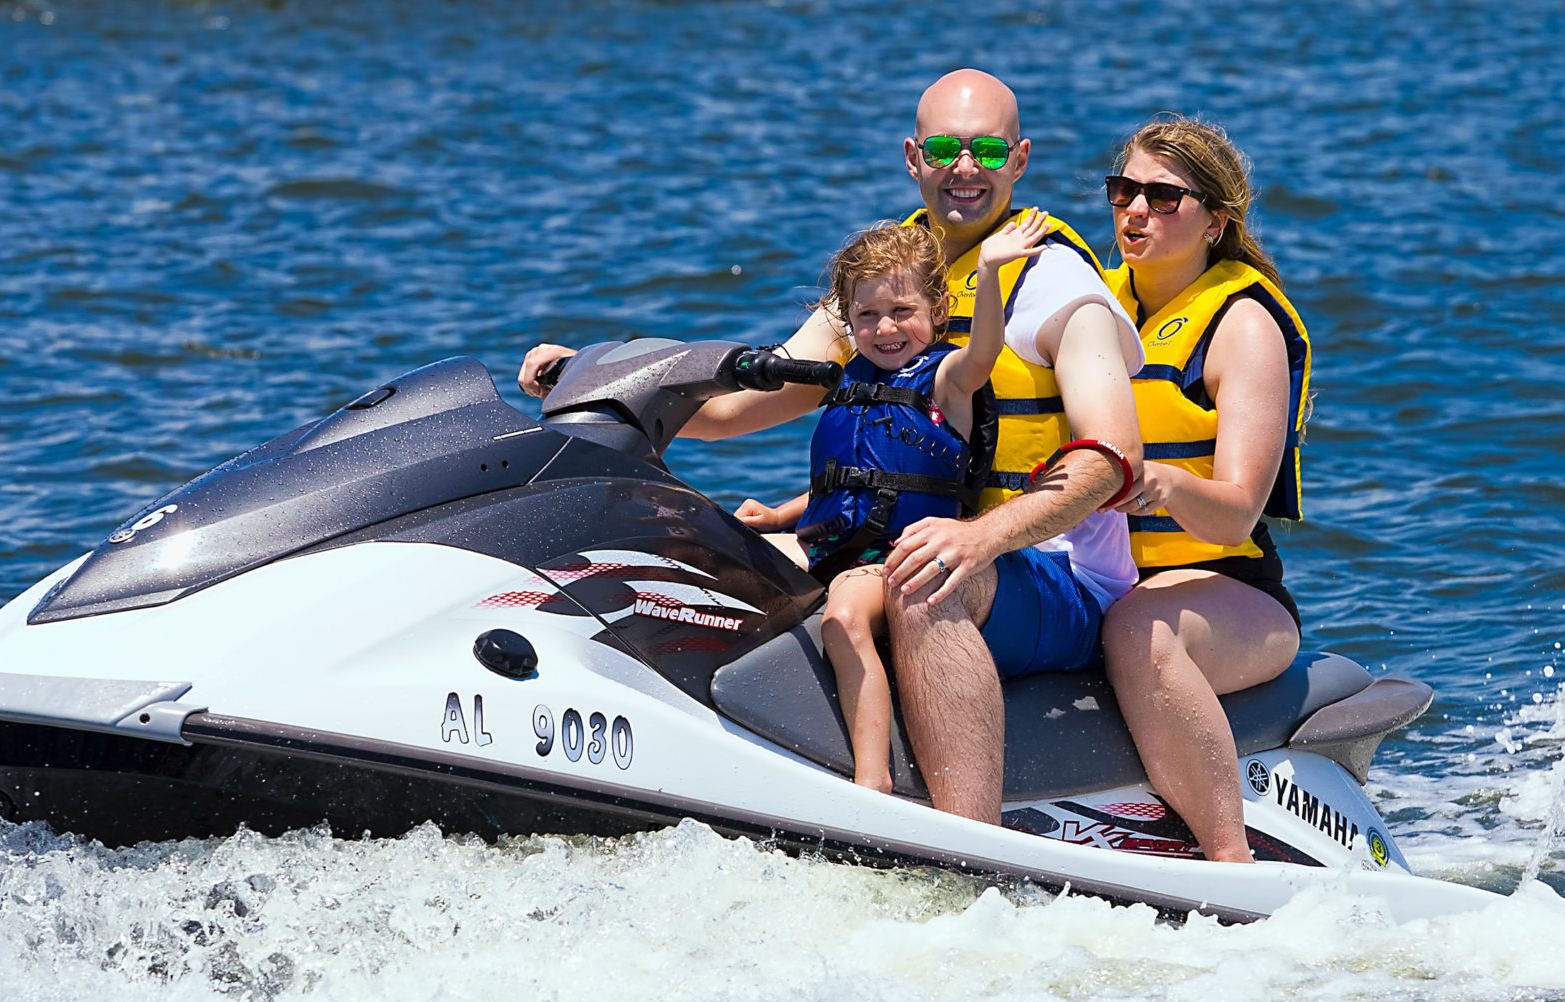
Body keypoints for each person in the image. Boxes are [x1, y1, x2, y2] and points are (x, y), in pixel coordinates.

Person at [519, 69, 1145, 826]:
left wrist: (979, 538)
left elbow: (1111, 458)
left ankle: (970, 846)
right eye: (946, 148)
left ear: (1019, 160)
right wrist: (593, 375)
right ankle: (648, 785)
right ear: (914, 158)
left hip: (1060, 576)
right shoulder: (889, 283)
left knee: (926, 570)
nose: (965, 168)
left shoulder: (1053, 283)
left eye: (986, 149)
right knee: (697, 558)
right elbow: (733, 409)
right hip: (907, 543)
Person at [734, 212, 1048, 794]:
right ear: (847, 320)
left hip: (895, 558)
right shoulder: (847, 379)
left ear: (935, 308)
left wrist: (990, 272)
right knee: (720, 554)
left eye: (902, 312)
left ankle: (871, 781)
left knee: (843, 618)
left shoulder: (948, 380)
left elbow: (984, 351)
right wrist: (778, 516)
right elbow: (858, 481)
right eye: (867, 315)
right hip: (832, 545)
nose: (884, 329)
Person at [1100, 116, 1312, 865]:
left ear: (1214, 220)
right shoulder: (1093, 305)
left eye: (1163, 197)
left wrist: (1161, 483)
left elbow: (1237, 511)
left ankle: (1230, 861)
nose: (1135, 210)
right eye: (1124, 190)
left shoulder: (1240, 325)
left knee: (1137, 633)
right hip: (1105, 575)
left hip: (1230, 589)